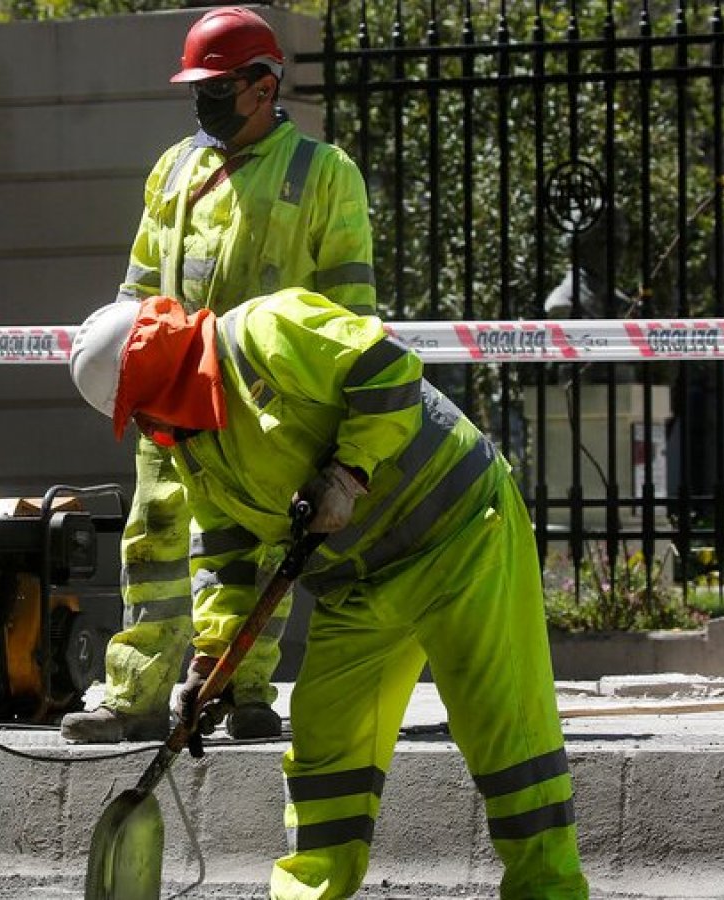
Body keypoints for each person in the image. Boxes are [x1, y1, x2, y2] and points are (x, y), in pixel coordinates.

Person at [67, 293, 589, 899]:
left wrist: (349, 474)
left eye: (139, 410)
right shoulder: (193, 442)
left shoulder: (268, 329)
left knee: (508, 742)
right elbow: (223, 548)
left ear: (163, 375)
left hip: (462, 537)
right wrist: (213, 662)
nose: (143, 427)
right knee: (325, 756)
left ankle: (549, 890)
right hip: (359, 584)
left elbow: (389, 369)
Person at [61, 5, 376, 743]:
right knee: (154, 544)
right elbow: (138, 287)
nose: (202, 101)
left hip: (265, 406)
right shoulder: (176, 169)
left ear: (265, 85)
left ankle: (244, 692)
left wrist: (332, 421)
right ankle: (132, 694)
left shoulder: (325, 176)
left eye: (217, 86)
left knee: (258, 550)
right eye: (197, 87)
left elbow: (350, 311)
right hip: (171, 397)